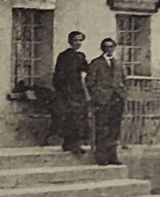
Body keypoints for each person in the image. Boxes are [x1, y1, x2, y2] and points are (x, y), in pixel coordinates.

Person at [86, 37, 128, 166]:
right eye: (106, 46)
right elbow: (90, 82)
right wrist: (98, 96)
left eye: (111, 46)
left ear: (114, 48)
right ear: (102, 48)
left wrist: (122, 93)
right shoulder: (96, 63)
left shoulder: (119, 64)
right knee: (102, 128)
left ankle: (113, 156)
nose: (109, 49)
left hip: (116, 99)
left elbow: (124, 80)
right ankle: (101, 157)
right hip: (103, 100)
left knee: (114, 128)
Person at [50, 30, 90, 155]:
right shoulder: (64, 56)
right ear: (70, 41)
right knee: (70, 117)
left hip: (78, 90)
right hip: (67, 91)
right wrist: (63, 90)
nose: (78, 43)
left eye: (80, 40)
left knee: (80, 117)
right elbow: (58, 75)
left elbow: (87, 69)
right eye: (75, 40)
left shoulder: (81, 56)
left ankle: (76, 144)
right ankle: (69, 144)